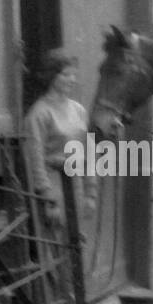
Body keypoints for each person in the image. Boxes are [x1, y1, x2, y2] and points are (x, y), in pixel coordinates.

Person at [23, 48, 93, 233]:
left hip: (76, 187)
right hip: (55, 188)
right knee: (57, 244)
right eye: (66, 74)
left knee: (77, 244)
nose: (72, 79)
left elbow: (88, 153)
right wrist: (49, 200)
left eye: (74, 75)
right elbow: (35, 160)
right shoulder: (39, 113)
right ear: (52, 76)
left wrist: (90, 193)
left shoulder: (78, 110)